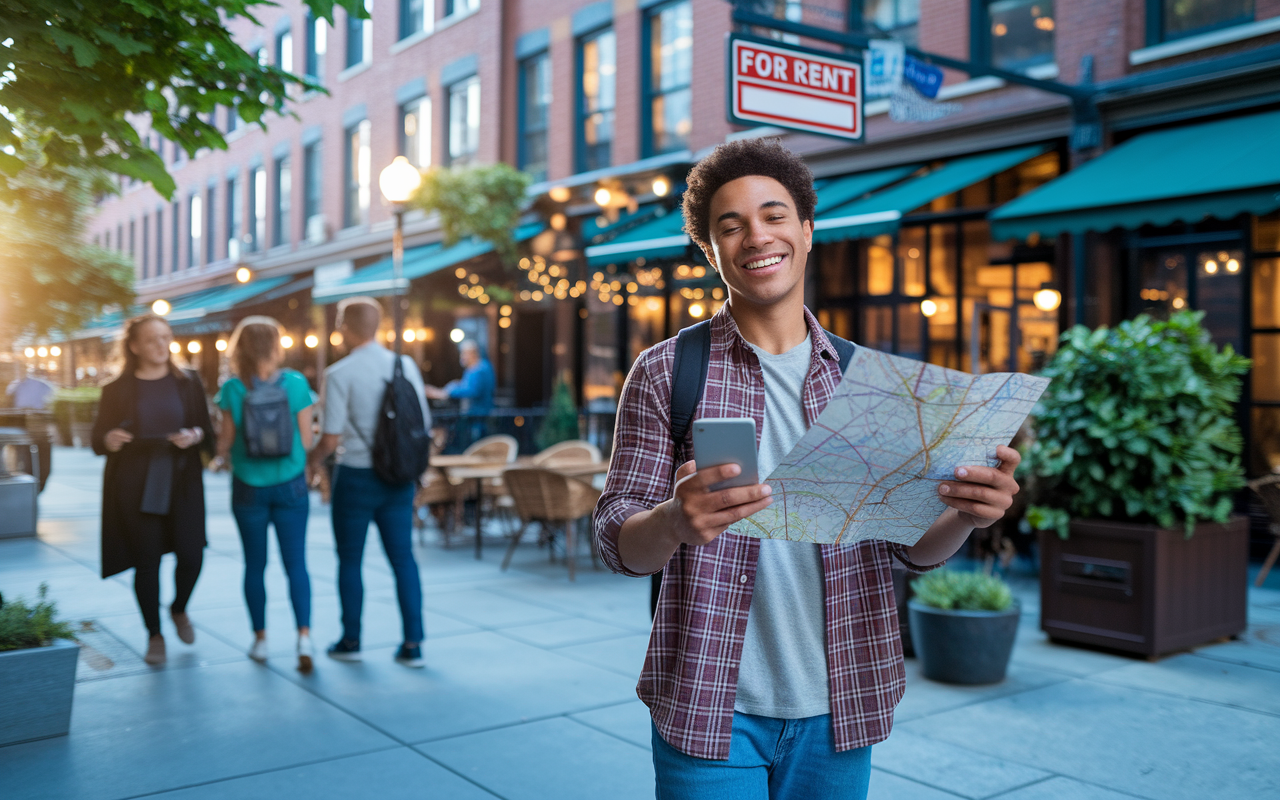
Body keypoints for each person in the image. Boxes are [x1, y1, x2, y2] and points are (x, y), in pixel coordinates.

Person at [593, 139, 1022, 799]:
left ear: (807, 231)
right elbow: (618, 543)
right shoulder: (666, 371)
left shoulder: (869, 383)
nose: (754, 235)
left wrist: (965, 513)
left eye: (773, 215)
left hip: (839, 708)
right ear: (710, 251)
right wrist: (675, 522)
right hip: (710, 706)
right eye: (729, 225)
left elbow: (910, 548)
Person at [306, 298, 430, 668]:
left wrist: (311, 462)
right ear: (378, 326)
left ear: (345, 326)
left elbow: (330, 438)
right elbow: (421, 422)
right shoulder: (404, 364)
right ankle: (413, 645)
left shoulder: (338, 374)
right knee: (403, 559)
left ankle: (352, 639)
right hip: (398, 477)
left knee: (350, 560)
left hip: (356, 477)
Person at [91, 314, 215, 667]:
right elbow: (98, 439)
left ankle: (179, 609)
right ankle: (154, 634)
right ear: (134, 346)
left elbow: (206, 430)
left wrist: (194, 435)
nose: (162, 345)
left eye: (166, 337)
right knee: (146, 562)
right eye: (152, 339)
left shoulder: (188, 382)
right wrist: (109, 438)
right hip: (135, 482)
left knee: (192, 554)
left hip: (181, 479)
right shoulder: (115, 389)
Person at [212, 316, 316, 672]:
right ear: (275, 345)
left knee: (255, 565)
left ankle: (260, 639)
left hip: (248, 487)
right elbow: (306, 440)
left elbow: (225, 442)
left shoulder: (232, 389)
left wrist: (221, 454)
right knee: (296, 564)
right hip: (291, 486)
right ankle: (304, 637)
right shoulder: (297, 384)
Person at [425, 339, 494, 446]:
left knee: (476, 445)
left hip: (479, 417)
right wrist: (452, 386)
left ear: (472, 353)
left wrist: (447, 392)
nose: (462, 357)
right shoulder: (474, 369)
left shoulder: (480, 369)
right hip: (473, 416)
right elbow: (465, 385)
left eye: (464, 353)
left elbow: (472, 390)